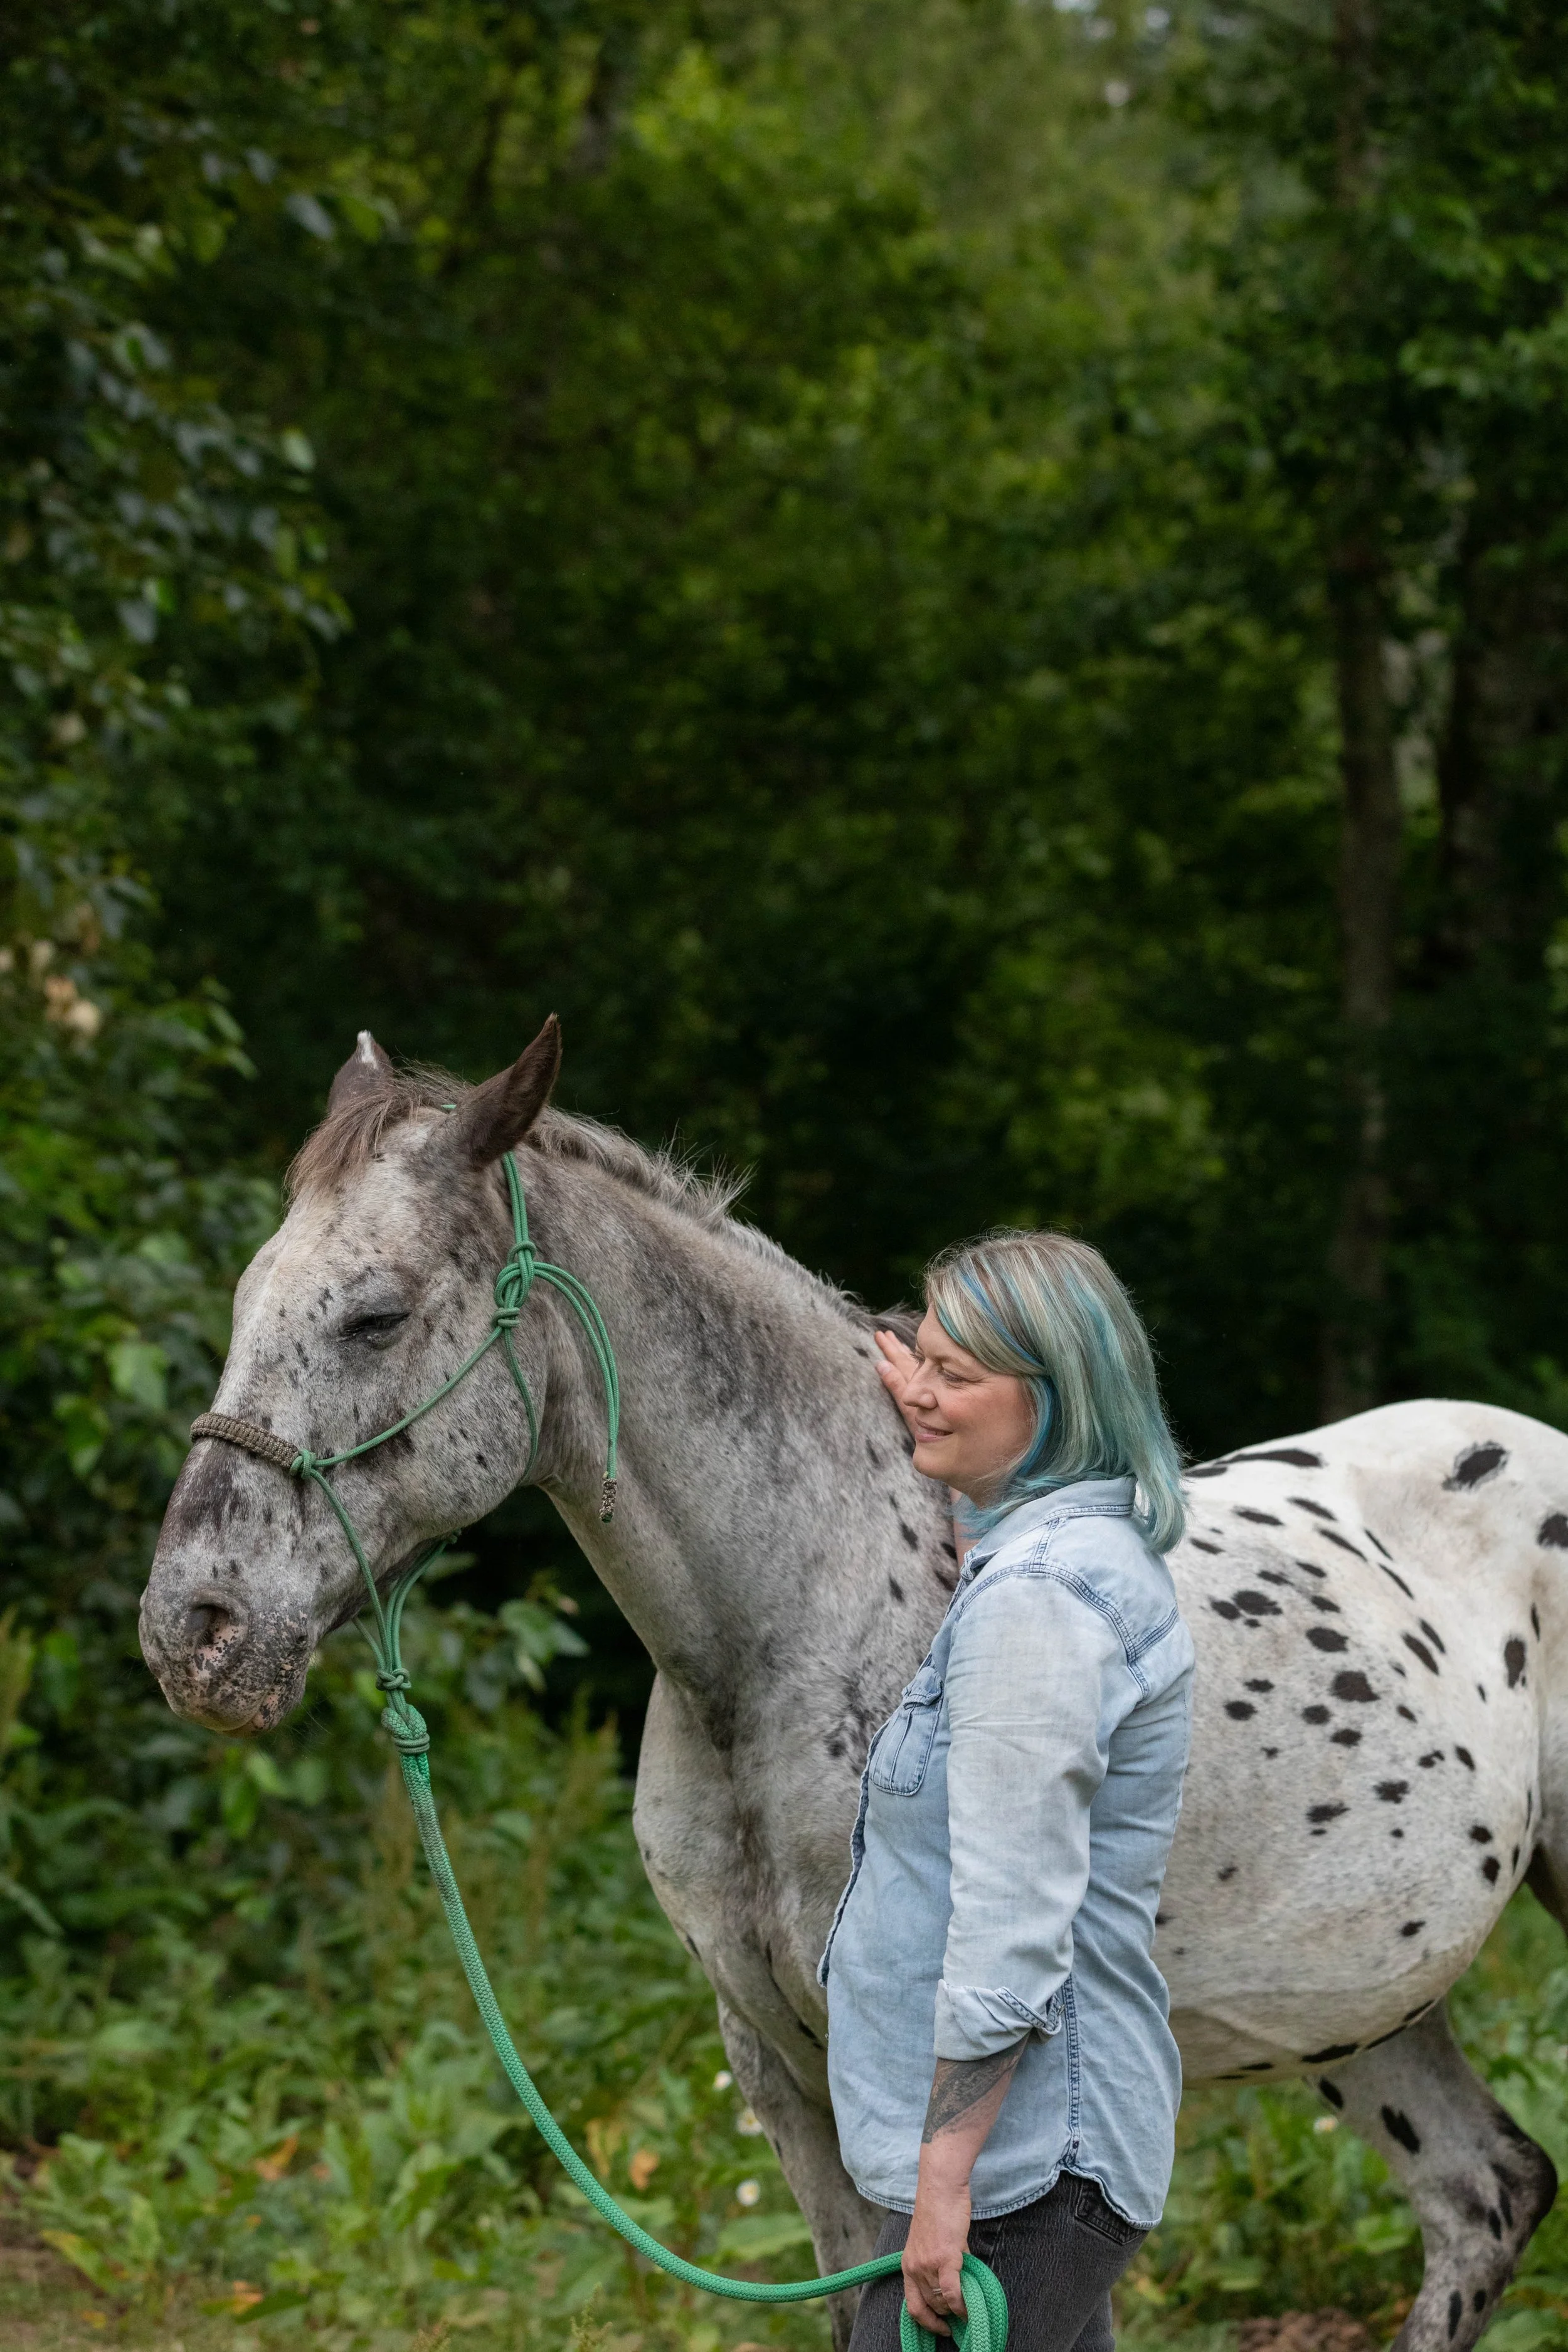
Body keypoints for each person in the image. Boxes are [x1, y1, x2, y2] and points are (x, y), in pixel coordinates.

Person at [818, 1229, 1193, 2352]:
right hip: (1035, 2147)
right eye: (919, 1362)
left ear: (1055, 1398)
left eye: (957, 1376)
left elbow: (1011, 1929)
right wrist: (945, 1411)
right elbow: (998, 1519)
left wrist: (941, 2184)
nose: (922, 1395)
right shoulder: (1067, 1545)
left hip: (1028, 2164)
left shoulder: (1041, 1605)